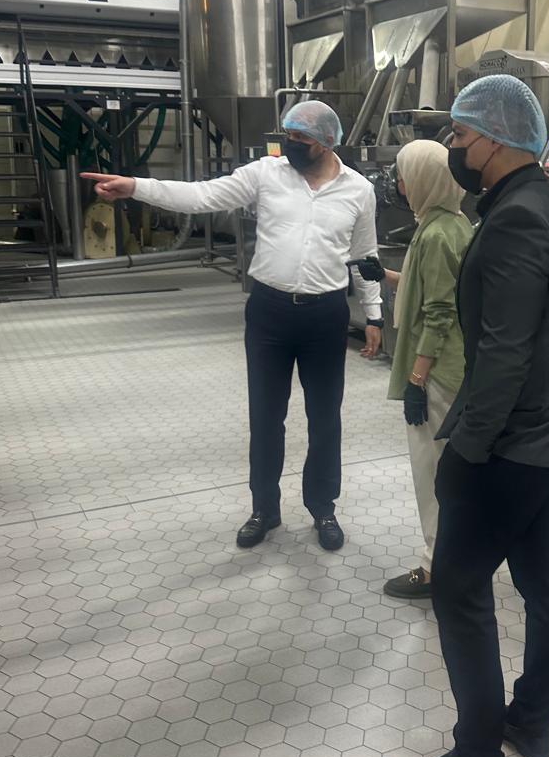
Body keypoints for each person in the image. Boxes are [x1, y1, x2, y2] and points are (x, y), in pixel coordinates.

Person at [387, 74, 549, 757]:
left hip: (509, 445)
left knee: (459, 589)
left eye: (461, 134)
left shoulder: (514, 222)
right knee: (543, 583)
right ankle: (529, 722)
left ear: (497, 140)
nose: (453, 146)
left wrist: (466, 451)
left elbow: (504, 353)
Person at [82, 100, 384, 552]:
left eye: (300, 138)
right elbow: (202, 196)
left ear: (326, 142)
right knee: (266, 417)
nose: (290, 144)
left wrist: (374, 314)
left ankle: (323, 507)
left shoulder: (358, 190)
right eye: (287, 135)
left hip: (325, 316)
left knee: (325, 418)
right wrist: (135, 187)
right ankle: (264, 509)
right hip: (269, 313)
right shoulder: (266, 174)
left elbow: (365, 257)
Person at [354, 140, 471, 599]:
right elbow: (433, 286)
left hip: (438, 373)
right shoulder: (451, 223)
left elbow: (439, 312)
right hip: (454, 368)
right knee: (450, 473)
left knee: (432, 474)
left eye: (404, 175)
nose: (399, 184)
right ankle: (458, 559)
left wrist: (417, 380)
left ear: (425, 179)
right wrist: (385, 276)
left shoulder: (437, 234)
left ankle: (435, 567)